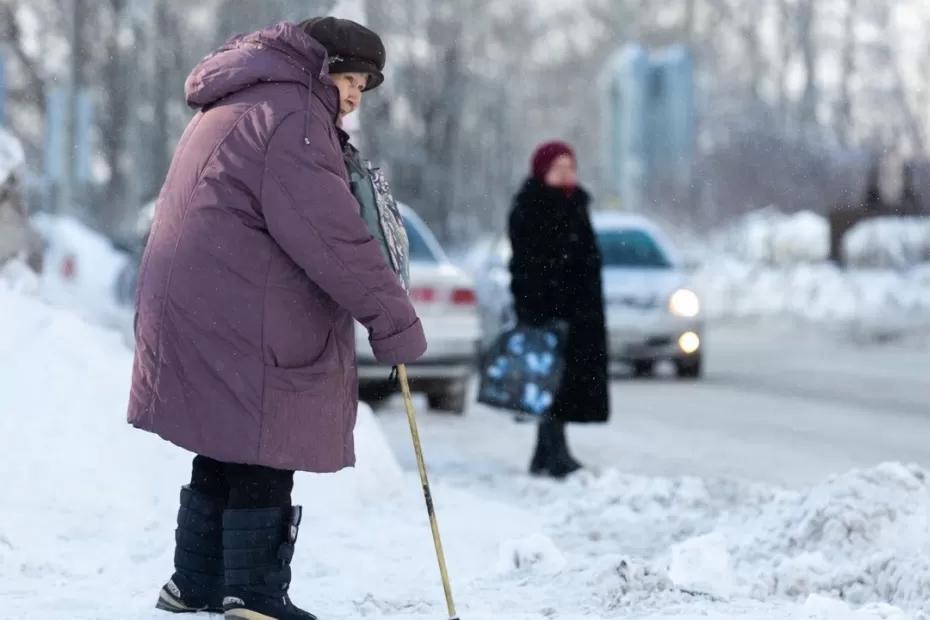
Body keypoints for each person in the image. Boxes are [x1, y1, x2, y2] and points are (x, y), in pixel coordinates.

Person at [127, 18, 426, 620]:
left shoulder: (243, 99)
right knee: (267, 442)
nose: (352, 98)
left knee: (226, 443)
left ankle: (197, 584)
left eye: (363, 89)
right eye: (350, 80)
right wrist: (395, 322)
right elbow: (333, 238)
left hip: (202, 303)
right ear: (323, 66)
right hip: (244, 310)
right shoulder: (293, 118)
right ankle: (254, 597)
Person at [508, 141, 609, 478]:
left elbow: (585, 260)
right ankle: (553, 453)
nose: (566, 173)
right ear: (542, 171)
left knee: (564, 383)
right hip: (546, 310)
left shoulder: (577, 204)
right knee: (550, 382)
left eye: (570, 167)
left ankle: (546, 452)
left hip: (578, 312)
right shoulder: (530, 207)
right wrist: (537, 306)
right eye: (558, 168)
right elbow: (526, 265)